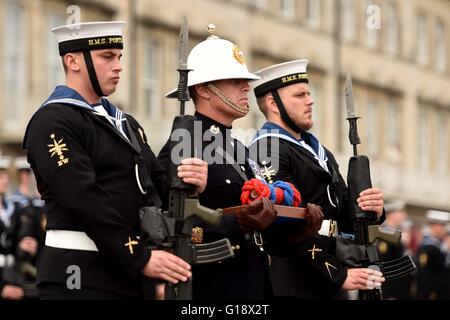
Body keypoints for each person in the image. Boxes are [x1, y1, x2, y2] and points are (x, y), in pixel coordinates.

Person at [22, 21, 207, 299]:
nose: (118, 65)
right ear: (72, 61)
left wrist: (191, 183)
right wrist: (139, 256)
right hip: (80, 273)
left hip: (127, 274)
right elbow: (82, 198)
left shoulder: (125, 123)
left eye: (119, 56)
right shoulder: (54, 120)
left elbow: (155, 188)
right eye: (107, 56)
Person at [158, 27, 323, 300]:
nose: (247, 87)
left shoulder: (239, 148)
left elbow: (262, 233)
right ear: (204, 89)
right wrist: (235, 225)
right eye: (235, 80)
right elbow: (174, 227)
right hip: (213, 288)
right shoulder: (184, 145)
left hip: (254, 282)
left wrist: (297, 230)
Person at [250, 59, 385, 300]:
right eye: (300, 95)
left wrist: (371, 209)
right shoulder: (267, 148)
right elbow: (287, 222)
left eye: (309, 93)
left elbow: (343, 214)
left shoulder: (318, 152)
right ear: (273, 103)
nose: (310, 100)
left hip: (328, 276)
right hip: (295, 281)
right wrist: (335, 274)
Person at [377, 200, 413, 299]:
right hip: (391, 292)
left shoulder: (396, 234)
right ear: (391, 214)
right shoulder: (385, 235)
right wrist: (388, 294)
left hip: (400, 290)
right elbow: (385, 266)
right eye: (400, 212)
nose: (404, 215)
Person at [0, 156, 24, 300]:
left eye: (6, 176)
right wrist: (1, 288)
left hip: (14, 278)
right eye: (1, 176)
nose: (6, 180)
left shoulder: (14, 210)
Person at [414, 210, 450, 300]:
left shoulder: (439, 246)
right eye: (442, 226)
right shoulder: (427, 248)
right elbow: (424, 276)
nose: (444, 229)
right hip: (431, 295)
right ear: (435, 226)